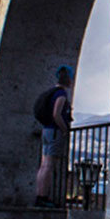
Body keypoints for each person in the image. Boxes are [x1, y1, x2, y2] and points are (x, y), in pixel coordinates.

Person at [32, 65, 74, 209]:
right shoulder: (61, 95)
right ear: (68, 79)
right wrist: (65, 129)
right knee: (49, 166)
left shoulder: (51, 92)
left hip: (46, 131)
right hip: (54, 132)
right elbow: (56, 114)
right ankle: (43, 197)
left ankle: (40, 196)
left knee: (44, 165)